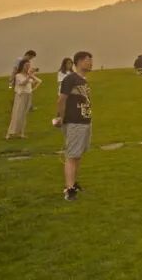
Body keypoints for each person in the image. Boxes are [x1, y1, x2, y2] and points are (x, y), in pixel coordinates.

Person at [55, 51, 93, 201]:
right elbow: (61, 100)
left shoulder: (83, 80)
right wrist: (60, 118)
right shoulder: (70, 79)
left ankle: (74, 184)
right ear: (79, 62)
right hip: (74, 122)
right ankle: (69, 189)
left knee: (78, 155)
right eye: (87, 60)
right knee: (72, 155)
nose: (90, 63)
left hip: (84, 121)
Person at [6, 58, 42, 139]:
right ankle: (10, 133)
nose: (28, 67)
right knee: (17, 114)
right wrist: (29, 76)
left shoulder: (28, 75)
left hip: (28, 95)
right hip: (20, 96)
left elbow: (39, 81)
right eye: (26, 65)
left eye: (29, 65)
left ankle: (21, 133)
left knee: (24, 115)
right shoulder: (18, 75)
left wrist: (33, 85)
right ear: (22, 66)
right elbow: (23, 83)